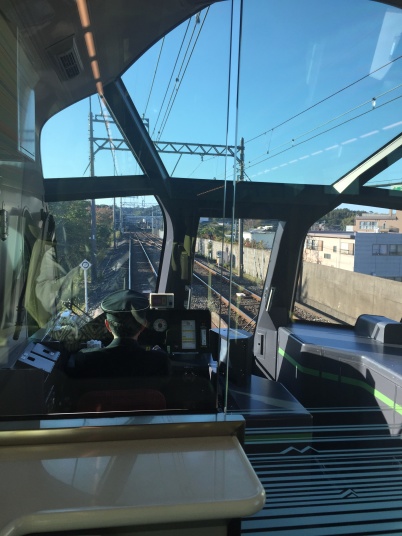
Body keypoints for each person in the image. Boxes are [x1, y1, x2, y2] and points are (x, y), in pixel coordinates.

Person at [66, 289, 170, 378]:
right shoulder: (159, 360)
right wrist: (158, 353)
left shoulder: (86, 358)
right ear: (143, 327)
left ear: (107, 325)